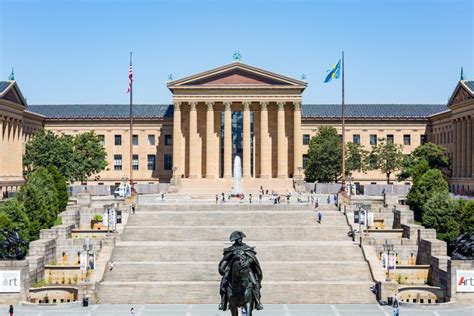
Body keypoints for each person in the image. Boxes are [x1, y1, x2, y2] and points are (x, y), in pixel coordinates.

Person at [218, 231, 263, 311]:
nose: (240, 240)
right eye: (238, 238)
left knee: (255, 283)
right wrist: (223, 268)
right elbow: (224, 262)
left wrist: (248, 262)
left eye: (241, 238)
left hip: (247, 271)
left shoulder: (246, 248)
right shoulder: (230, 250)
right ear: (235, 240)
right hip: (232, 271)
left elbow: (252, 258)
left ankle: (258, 302)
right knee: (223, 284)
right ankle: (223, 302)